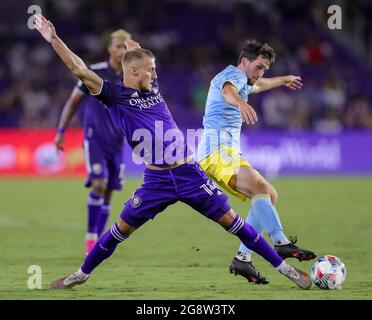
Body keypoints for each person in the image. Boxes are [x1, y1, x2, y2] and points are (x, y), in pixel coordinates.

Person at [33, 14, 312, 290]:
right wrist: (54, 39)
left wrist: (134, 49)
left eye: (154, 69)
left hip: (190, 173)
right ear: (133, 72)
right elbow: (79, 69)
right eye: (151, 69)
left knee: (235, 225)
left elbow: (141, 61)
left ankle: (285, 269)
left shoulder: (152, 87)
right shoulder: (115, 97)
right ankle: (81, 274)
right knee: (119, 232)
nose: (156, 74)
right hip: (156, 182)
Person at [197, 39, 316, 284]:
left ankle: (243, 258)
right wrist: (240, 103)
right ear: (244, 62)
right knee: (261, 189)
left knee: (269, 195)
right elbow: (228, 91)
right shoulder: (232, 76)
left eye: (265, 69)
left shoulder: (244, 79)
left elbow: (258, 85)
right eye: (258, 66)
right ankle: (280, 242)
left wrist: (282, 80)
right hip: (217, 151)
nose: (261, 73)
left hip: (225, 152)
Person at [54, 29, 132, 255]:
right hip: (94, 138)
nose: (121, 50)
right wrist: (61, 131)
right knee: (99, 184)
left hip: (117, 141)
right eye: (118, 46)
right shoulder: (94, 72)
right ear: (109, 48)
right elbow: (73, 101)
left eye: (125, 47)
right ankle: (90, 237)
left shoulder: (130, 77)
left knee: (108, 191)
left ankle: (98, 240)